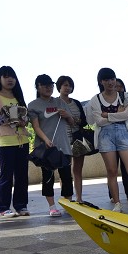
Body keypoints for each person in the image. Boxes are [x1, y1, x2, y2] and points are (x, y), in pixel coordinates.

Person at [86, 67, 128, 213]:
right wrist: (117, 113)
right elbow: (98, 121)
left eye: (112, 79)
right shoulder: (95, 99)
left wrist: (107, 115)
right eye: (107, 79)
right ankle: (117, 203)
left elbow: (127, 115)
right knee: (111, 171)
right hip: (105, 136)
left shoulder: (124, 96)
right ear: (101, 81)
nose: (110, 82)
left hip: (124, 133)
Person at [28, 74, 74, 217]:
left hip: (63, 145)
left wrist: (67, 115)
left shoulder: (60, 102)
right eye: (45, 85)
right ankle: (52, 206)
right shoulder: (33, 105)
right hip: (46, 147)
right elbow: (36, 126)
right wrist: (46, 140)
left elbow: (72, 122)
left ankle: (68, 203)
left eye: (50, 85)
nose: (49, 88)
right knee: (48, 177)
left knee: (66, 176)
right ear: (38, 87)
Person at [0, 65, 30, 218]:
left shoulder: (18, 96)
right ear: (0, 79)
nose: (10, 79)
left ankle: (21, 205)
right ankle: (3, 208)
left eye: (12, 76)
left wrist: (23, 120)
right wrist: (7, 118)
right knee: (6, 175)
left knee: (22, 175)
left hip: (22, 139)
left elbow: (26, 118)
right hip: (5, 140)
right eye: (6, 76)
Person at [56, 75, 90, 203]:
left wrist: (72, 118)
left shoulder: (76, 103)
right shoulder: (55, 102)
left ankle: (79, 198)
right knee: (64, 171)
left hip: (77, 138)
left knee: (77, 170)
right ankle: (67, 198)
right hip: (62, 139)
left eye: (69, 85)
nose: (67, 88)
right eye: (65, 85)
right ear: (59, 87)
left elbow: (84, 121)